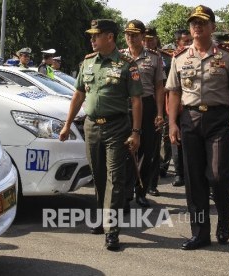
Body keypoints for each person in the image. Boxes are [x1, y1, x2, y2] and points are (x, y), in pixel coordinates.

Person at [60, 19, 143, 251]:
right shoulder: (87, 63)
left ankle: (111, 229)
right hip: (91, 126)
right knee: (98, 176)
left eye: (96, 35)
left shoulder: (127, 64)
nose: (92, 39)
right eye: (91, 36)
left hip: (117, 128)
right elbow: (78, 95)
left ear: (110, 37)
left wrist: (136, 132)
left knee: (115, 178)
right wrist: (67, 125)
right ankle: (101, 217)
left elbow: (136, 101)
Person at [166, 5, 229, 250]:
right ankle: (200, 233)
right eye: (193, 23)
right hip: (190, 119)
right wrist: (172, 124)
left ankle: (223, 215)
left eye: (202, 22)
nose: (196, 26)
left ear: (213, 27)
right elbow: (175, 93)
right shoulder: (179, 58)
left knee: (218, 175)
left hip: (219, 119)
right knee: (194, 180)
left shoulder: (227, 58)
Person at [122, 20, 165, 207]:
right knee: (125, 151)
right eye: (128, 34)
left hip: (147, 105)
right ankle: (125, 192)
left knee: (147, 152)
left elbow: (159, 87)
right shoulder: (119, 56)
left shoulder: (154, 58)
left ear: (142, 36)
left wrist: (160, 113)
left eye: (135, 34)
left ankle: (141, 191)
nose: (131, 38)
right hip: (125, 106)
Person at [143, 26, 171, 197]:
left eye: (150, 39)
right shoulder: (131, 56)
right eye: (145, 39)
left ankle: (152, 184)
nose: (147, 42)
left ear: (156, 39)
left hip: (159, 106)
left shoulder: (166, 58)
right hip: (139, 106)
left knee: (154, 149)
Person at [170, 29, 193, 187]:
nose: (189, 43)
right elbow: (171, 89)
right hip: (176, 107)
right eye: (185, 41)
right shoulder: (175, 58)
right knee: (177, 142)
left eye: (190, 40)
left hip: (191, 108)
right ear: (178, 43)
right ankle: (179, 173)